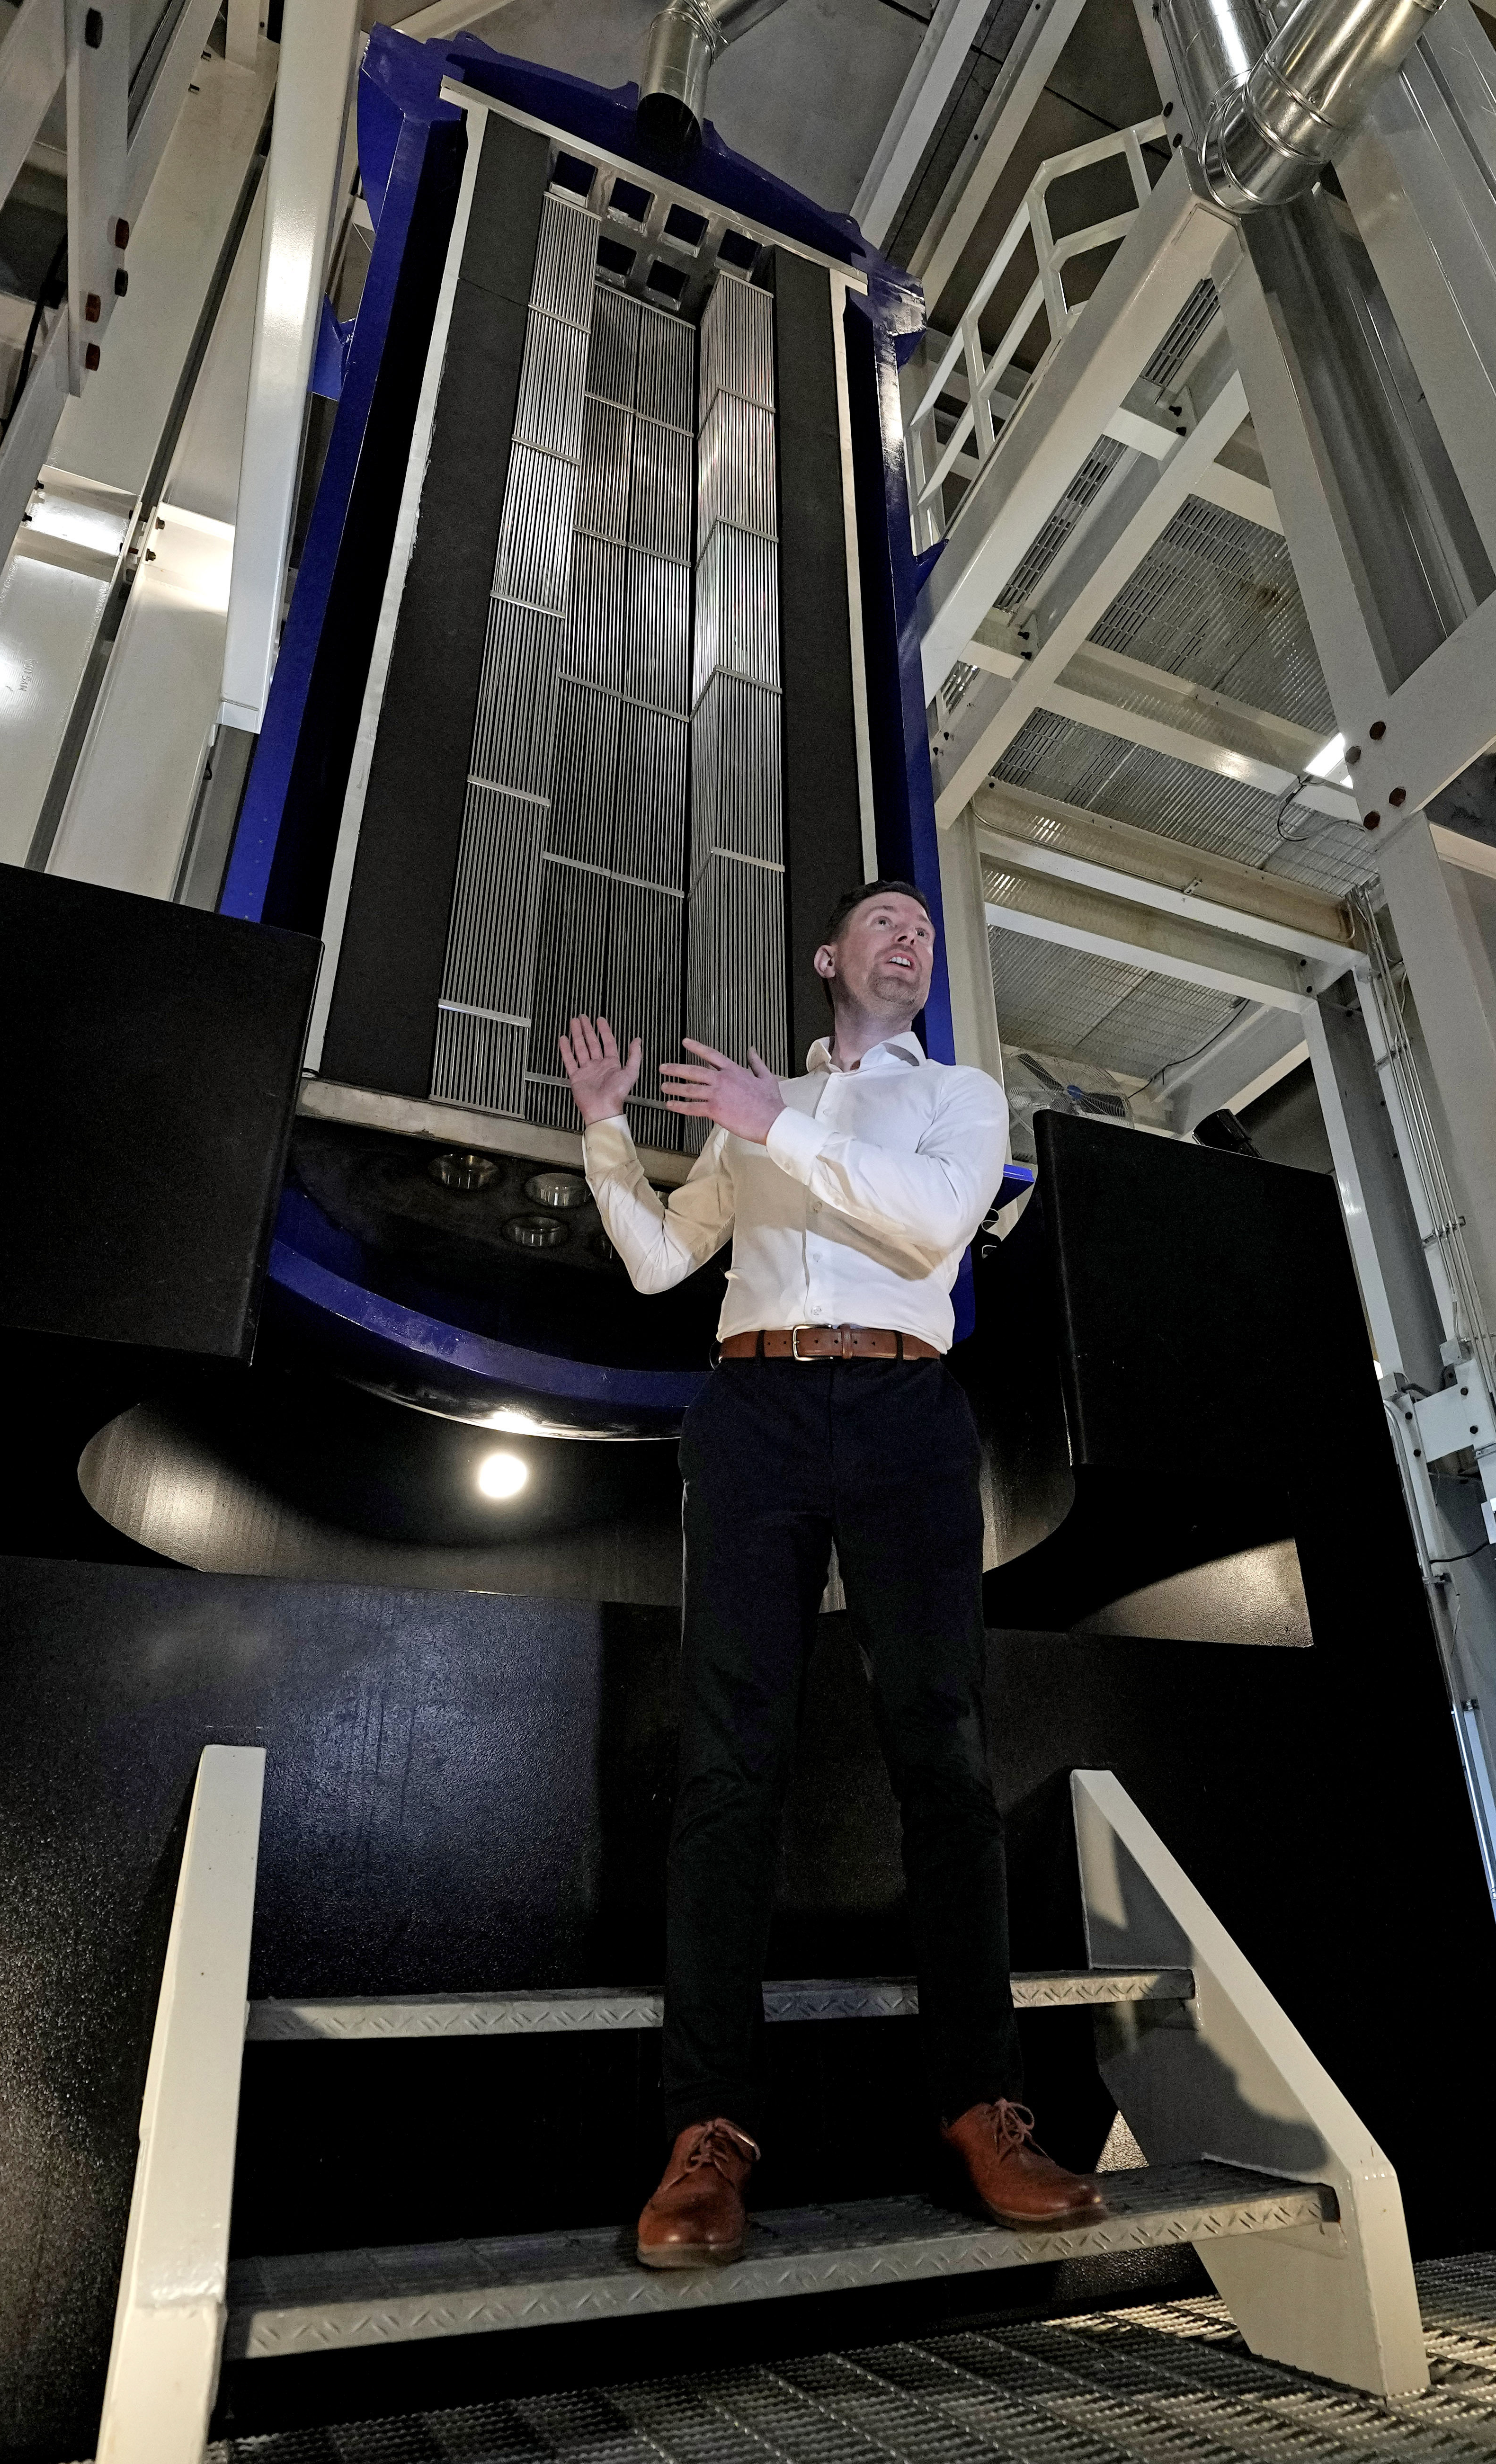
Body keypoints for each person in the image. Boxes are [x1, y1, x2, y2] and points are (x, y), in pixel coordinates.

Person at [556, 880, 1108, 2268]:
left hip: (905, 1415)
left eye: (922, 926)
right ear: (827, 959)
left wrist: (777, 1124)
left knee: (943, 1747)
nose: (908, 936)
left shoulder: (958, 1096)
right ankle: (706, 2134)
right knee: (728, 1761)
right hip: (751, 1416)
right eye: (880, 921)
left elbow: (931, 1230)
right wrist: (608, 1130)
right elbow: (655, 1262)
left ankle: (984, 2108)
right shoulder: (754, 1107)